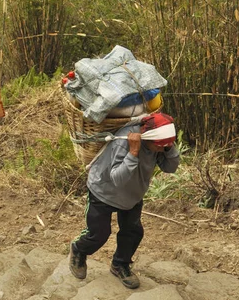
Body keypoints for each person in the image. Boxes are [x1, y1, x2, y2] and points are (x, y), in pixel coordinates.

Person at [69, 112, 181, 288]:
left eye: (163, 147)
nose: (160, 150)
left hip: (132, 194)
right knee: (98, 234)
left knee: (133, 232)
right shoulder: (124, 141)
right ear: (147, 138)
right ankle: (78, 249)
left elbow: (170, 167)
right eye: (159, 146)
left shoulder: (156, 143)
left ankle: (120, 264)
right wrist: (133, 152)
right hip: (104, 190)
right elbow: (118, 179)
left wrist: (168, 146)